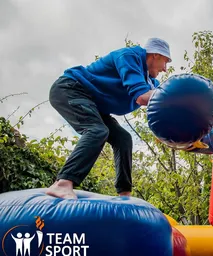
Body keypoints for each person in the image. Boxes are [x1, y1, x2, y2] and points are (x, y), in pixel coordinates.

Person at [46, 37, 172, 199]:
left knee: (123, 138)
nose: (165, 69)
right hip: (71, 89)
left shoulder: (150, 81)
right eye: (166, 61)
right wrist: (173, 98)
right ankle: (63, 183)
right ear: (155, 55)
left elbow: (160, 103)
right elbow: (142, 97)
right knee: (97, 130)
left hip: (94, 104)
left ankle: (124, 194)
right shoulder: (129, 56)